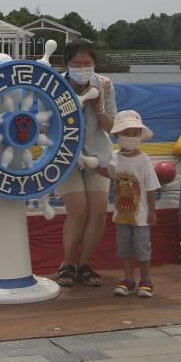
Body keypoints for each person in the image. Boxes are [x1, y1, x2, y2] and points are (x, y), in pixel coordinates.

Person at [52, 41, 116, 287]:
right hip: (66, 155)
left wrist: (98, 107)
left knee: (98, 212)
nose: (83, 68)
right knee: (78, 211)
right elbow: (46, 126)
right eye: (76, 64)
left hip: (98, 154)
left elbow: (113, 127)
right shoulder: (55, 84)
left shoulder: (105, 84)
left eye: (87, 64)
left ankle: (85, 264)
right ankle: (67, 263)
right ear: (66, 66)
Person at [107, 110, 159, 297]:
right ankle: (128, 279)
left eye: (135, 133)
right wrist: (89, 163)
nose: (131, 137)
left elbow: (151, 187)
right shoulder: (114, 157)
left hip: (141, 215)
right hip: (121, 215)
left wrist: (152, 212)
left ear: (140, 136)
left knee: (143, 249)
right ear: (117, 135)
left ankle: (146, 279)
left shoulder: (144, 159)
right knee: (125, 249)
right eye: (126, 133)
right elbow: (109, 174)